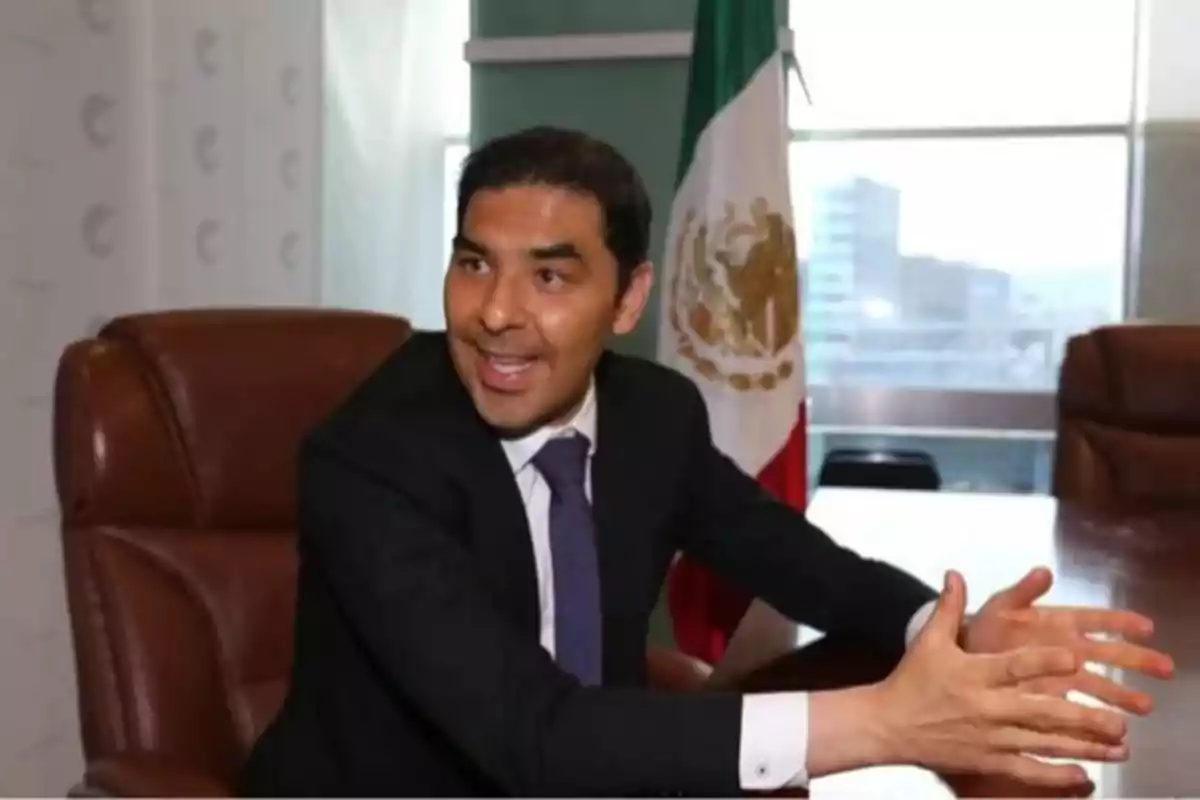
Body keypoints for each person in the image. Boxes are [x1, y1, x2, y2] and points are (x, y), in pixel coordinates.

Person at [241, 126, 1173, 796]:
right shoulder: (368, 459)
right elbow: (530, 738)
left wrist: (950, 627)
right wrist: (884, 724)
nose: (496, 312)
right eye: (474, 263)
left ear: (628, 298)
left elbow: (810, 570)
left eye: (551, 275)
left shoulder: (652, 413)